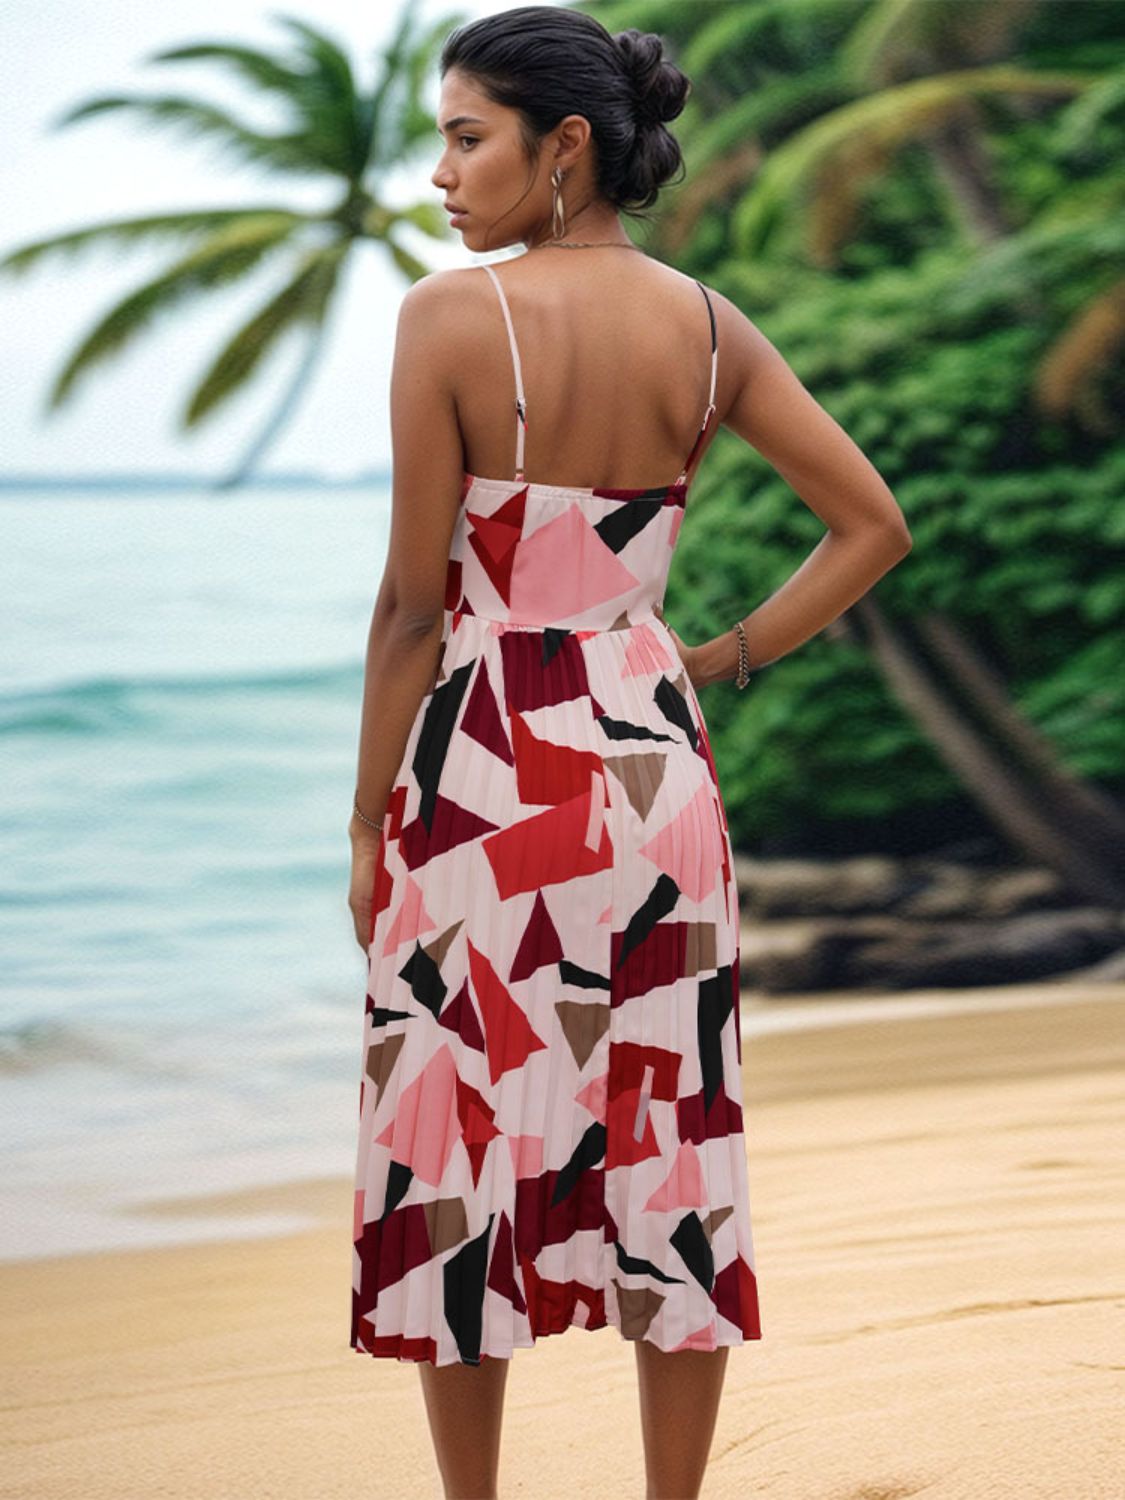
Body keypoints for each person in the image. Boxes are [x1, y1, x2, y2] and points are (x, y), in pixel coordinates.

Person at [347, 7, 911, 1498]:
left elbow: (415, 603)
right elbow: (871, 527)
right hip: (652, 769)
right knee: (663, 1141)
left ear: (566, 145)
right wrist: (716, 658)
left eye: (466, 137)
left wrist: (362, 828)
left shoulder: (450, 319)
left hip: (487, 771)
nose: (441, 176)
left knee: (457, 1150)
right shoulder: (710, 326)